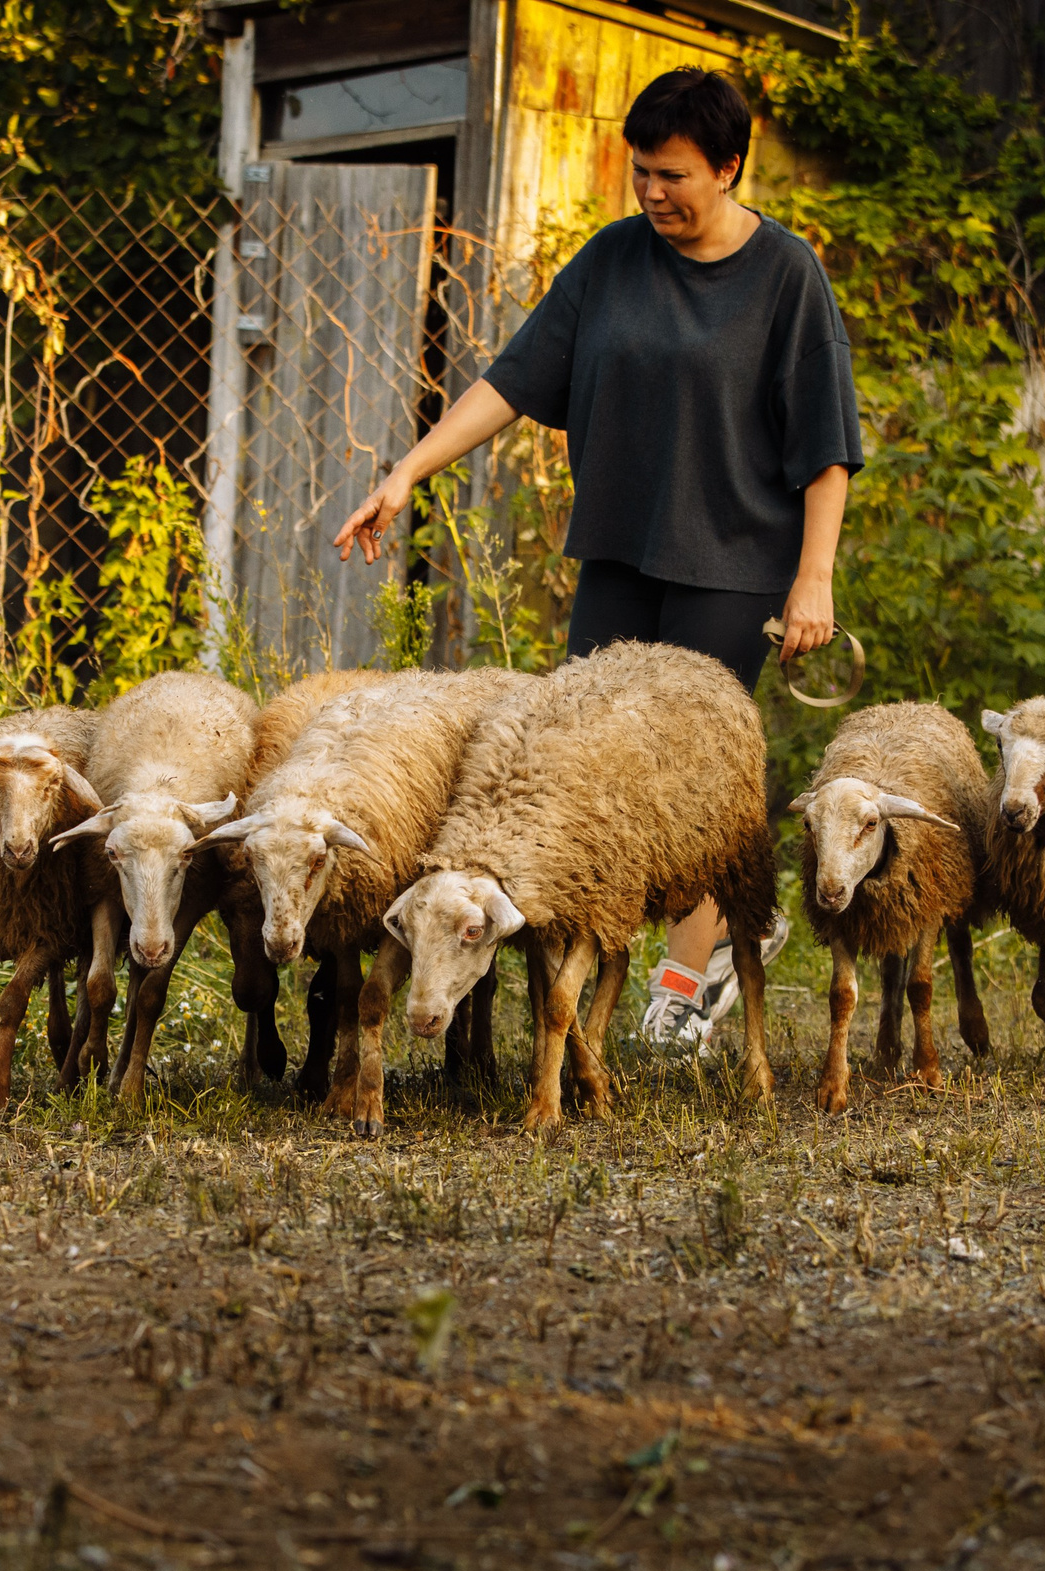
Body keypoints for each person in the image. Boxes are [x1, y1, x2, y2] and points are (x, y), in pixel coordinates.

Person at [334, 65, 863, 1049]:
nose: (653, 194)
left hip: (734, 566)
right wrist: (406, 472)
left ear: (729, 167)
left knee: (690, 791)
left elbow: (826, 447)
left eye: (673, 176)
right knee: (582, 779)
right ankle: (580, 996)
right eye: (641, 175)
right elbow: (512, 381)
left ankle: (686, 980)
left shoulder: (785, 276)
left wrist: (812, 579)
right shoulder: (612, 261)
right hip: (619, 554)